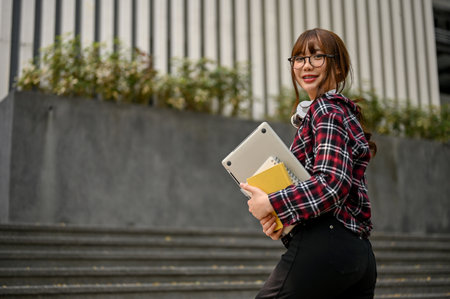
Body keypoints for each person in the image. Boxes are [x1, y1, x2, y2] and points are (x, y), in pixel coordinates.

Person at [240, 28, 378, 298]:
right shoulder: (331, 112)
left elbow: (331, 184)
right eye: (299, 58)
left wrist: (272, 203)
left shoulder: (326, 110)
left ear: (338, 69)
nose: (306, 66)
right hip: (357, 255)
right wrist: (281, 221)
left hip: (327, 245)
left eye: (317, 57)